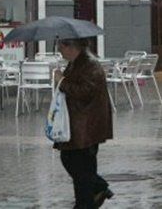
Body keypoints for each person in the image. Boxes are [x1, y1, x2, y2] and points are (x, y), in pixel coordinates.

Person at [53, 38, 113, 208]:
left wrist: (62, 81)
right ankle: (96, 190)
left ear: (71, 47)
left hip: (86, 127)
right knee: (72, 161)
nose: (60, 51)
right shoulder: (76, 63)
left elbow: (84, 92)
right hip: (77, 125)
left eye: (61, 47)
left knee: (81, 168)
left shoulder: (90, 65)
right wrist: (61, 80)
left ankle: (88, 199)